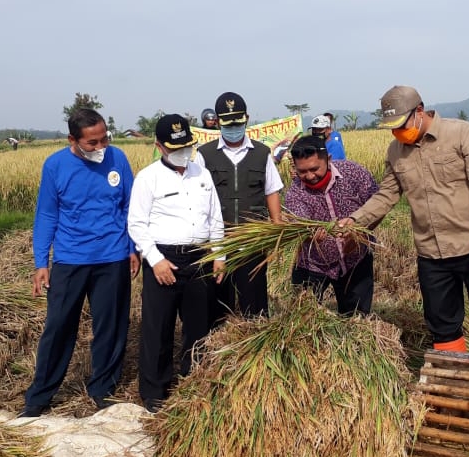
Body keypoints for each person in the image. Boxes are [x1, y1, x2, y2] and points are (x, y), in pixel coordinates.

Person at [338, 85, 469, 404]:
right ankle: (458, 388)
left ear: (420, 112)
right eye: (392, 129)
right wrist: (355, 221)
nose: (398, 133)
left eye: (402, 125)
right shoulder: (395, 152)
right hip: (431, 253)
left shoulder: (462, 135)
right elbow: (387, 194)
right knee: (442, 323)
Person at [20, 108, 140, 417]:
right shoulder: (56, 166)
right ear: (73, 139)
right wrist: (40, 262)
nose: (101, 148)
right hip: (70, 259)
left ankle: (103, 390)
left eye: (104, 139)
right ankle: (39, 396)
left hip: (112, 258)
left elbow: (130, 206)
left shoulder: (118, 160)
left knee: (111, 328)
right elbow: (47, 214)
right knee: (59, 327)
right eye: (92, 143)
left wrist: (132, 248)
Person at [127, 114, 225, 413]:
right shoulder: (148, 177)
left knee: (198, 326)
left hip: (199, 257)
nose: (183, 152)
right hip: (163, 257)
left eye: (187, 145)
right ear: (159, 146)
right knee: (158, 328)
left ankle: (192, 382)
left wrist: (219, 255)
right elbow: (136, 223)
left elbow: (215, 217)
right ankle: (154, 392)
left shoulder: (202, 174)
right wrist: (155, 261)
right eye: (175, 147)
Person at [197, 91, 284, 319]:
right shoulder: (203, 155)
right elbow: (197, 197)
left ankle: (254, 340)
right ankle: (216, 344)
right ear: (217, 122)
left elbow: (271, 191)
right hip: (218, 243)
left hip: (252, 240)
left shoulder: (262, 153)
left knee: (254, 303)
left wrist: (277, 231)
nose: (233, 127)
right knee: (216, 303)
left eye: (238, 122)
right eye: (228, 123)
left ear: (246, 118)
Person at [284, 136, 378, 315]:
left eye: (314, 169)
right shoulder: (295, 192)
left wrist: (362, 235)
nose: (310, 176)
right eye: (302, 171)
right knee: (303, 316)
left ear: (328, 159)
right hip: (313, 264)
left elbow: (377, 204)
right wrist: (309, 235)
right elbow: (300, 221)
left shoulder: (353, 173)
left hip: (355, 260)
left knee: (356, 319)